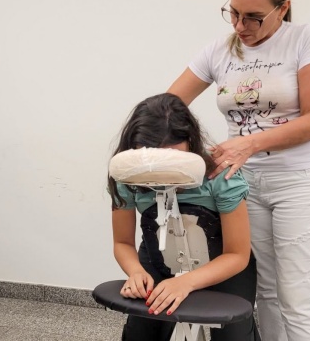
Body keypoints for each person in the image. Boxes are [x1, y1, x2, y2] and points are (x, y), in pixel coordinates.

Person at [167, 0, 310, 341]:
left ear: (283, 7)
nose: (241, 27)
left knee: (299, 297)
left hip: (301, 181)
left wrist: (247, 143)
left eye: (254, 17)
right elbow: (169, 104)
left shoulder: (306, 39)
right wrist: (191, 148)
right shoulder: (219, 50)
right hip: (246, 185)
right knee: (268, 294)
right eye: (234, 13)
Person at [108, 93, 260, 341]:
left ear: (190, 141)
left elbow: (237, 255)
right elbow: (122, 243)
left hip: (224, 266)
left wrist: (187, 282)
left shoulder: (220, 177)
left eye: (171, 157)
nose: (161, 171)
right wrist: (135, 272)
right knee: (142, 332)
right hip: (158, 262)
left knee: (234, 333)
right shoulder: (128, 178)